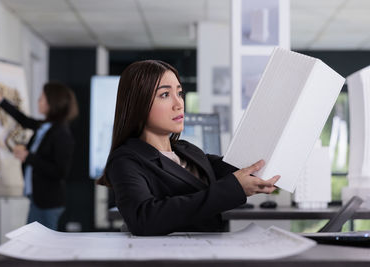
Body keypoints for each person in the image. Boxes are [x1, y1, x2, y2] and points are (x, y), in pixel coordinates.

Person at [97, 60, 280, 236]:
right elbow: (145, 219)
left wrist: (266, 164)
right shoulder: (125, 160)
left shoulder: (187, 151)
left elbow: (234, 167)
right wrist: (233, 189)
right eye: (165, 95)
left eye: (180, 93)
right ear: (139, 103)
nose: (179, 104)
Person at [0, 81, 78, 230]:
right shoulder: (44, 126)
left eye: (42, 98)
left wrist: (28, 157)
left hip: (48, 202)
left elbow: (60, 171)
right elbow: (22, 119)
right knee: (35, 243)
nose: (39, 101)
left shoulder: (61, 134)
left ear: (53, 103)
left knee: (42, 247)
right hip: (38, 199)